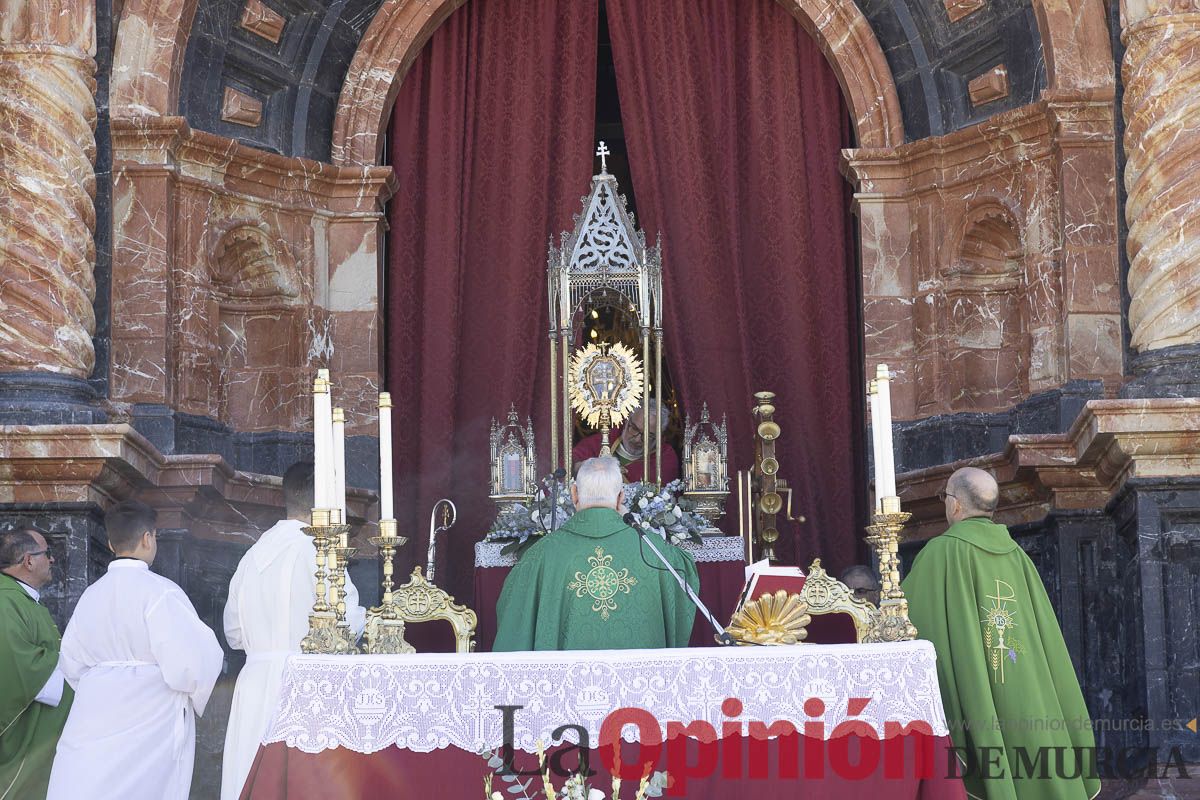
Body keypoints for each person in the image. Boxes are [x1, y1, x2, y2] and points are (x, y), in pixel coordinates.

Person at [902, 467, 1100, 800]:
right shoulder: (1018, 557)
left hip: (978, 685)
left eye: (945, 497)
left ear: (955, 505)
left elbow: (905, 622)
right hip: (1027, 685)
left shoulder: (940, 554)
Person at [46, 500, 223, 800]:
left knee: (87, 785)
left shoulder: (91, 595)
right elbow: (193, 664)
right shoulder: (161, 592)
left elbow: (72, 662)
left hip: (95, 713)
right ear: (148, 538)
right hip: (150, 714)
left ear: (112, 543)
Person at [220, 462, 366, 800]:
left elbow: (234, 632)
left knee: (249, 779)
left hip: (255, 683)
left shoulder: (252, 554)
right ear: (324, 503)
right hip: (306, 686)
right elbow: (348, 625)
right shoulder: (320, 551)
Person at [494, 456, 698, 651]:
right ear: (621, 498)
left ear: (574, 494)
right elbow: (684, 573)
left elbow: (514, 614)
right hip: (640, 684)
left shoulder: (541, 554)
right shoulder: (654, 549)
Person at [0, 528, 72, 799]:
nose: (52, 560)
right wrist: (79, 663)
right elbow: (15, 662)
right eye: (47, 554)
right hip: (21, 735)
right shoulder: (5, 601)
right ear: (29, 561)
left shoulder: (23, 600)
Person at [572, 399, 679, 484]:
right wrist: (583, 467)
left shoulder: (665, 458)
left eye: (648, 436)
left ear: (659, 436)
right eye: (634, 429)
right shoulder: (602, 441)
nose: (637, 439)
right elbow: (569, 464)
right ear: (627, 421)